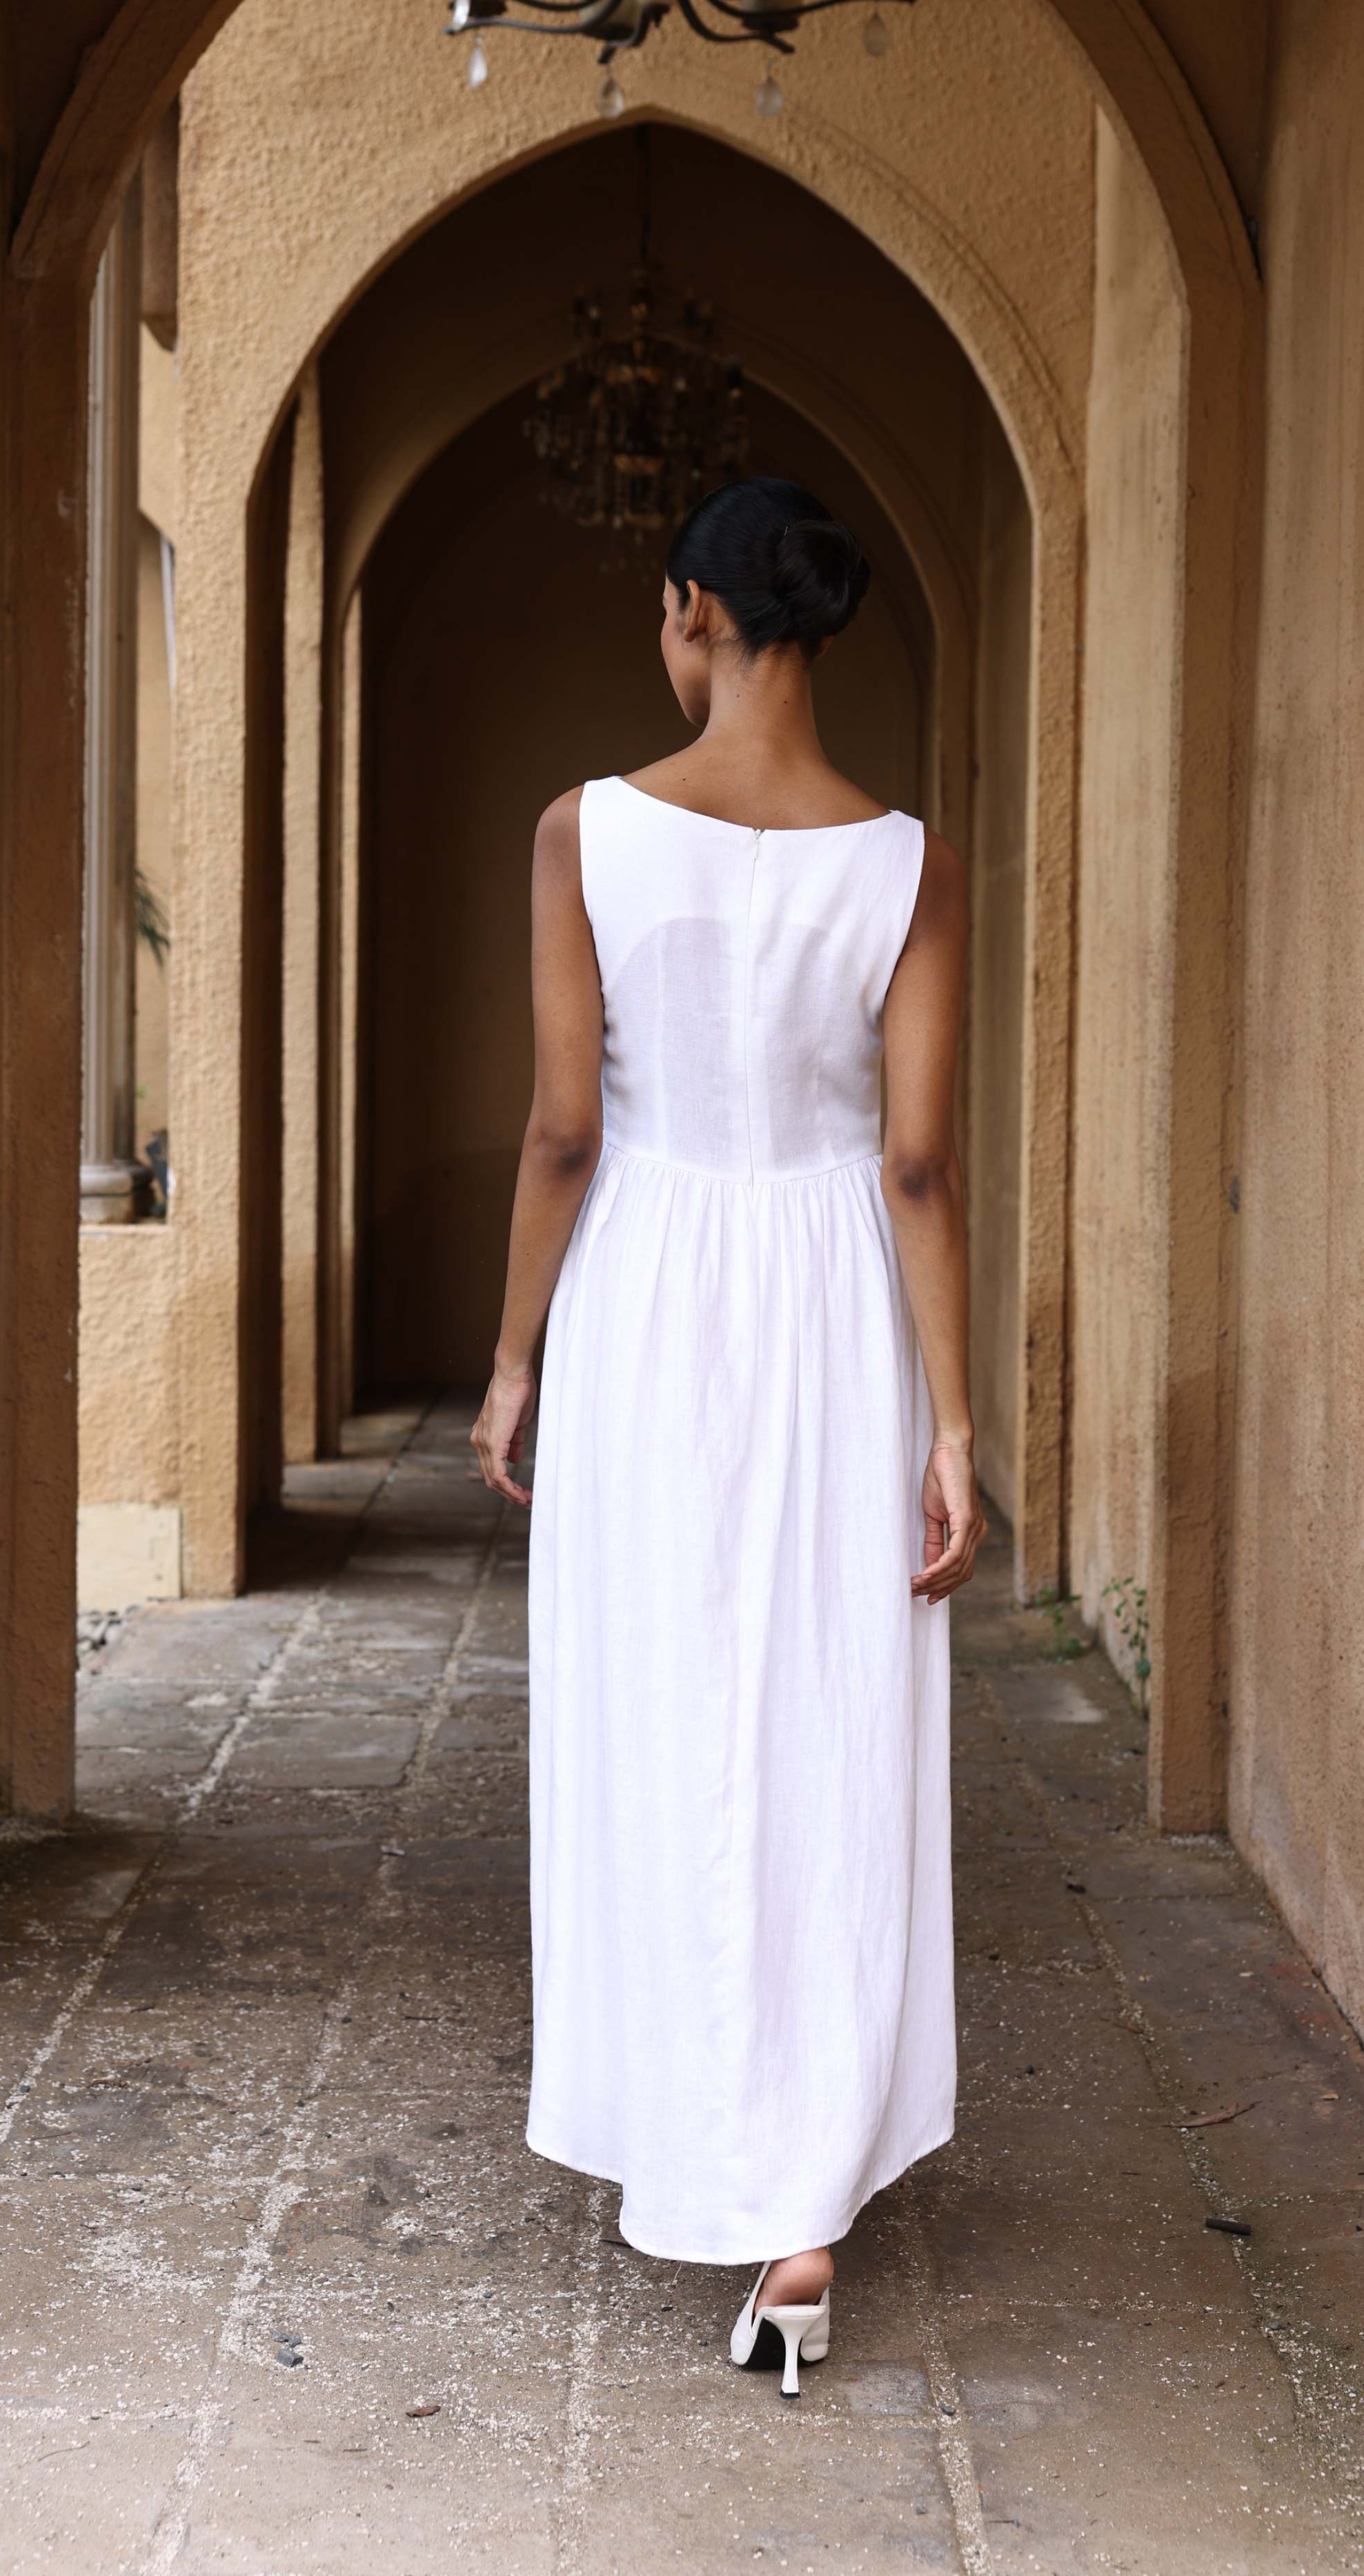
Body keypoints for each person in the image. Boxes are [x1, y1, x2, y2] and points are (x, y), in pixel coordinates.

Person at [471, 475, 983, 2399]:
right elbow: (919, 1159)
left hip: (651, 1289)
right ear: (815, 628)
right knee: (831, 1717)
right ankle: (803, 2217)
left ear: (691, 609)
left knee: (659, 1706)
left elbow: (561, 1133)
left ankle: (697, 2124)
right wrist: (948, 1419)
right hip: (837, 1297)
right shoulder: (907, 861)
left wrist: (517, 1358)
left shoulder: (582, 833)